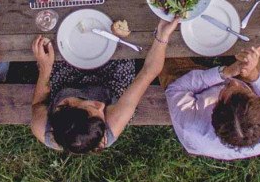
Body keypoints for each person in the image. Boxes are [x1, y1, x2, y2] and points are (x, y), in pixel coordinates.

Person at [30, 18, 179, 153]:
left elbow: (38, 103)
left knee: (61, 40)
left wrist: (45, 68)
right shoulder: (112, 122)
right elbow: (148, 72)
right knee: (118, 47)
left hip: (67, 82)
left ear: (66, 105)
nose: (101, 107)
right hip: (110, 84)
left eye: (93, 107)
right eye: (101, 115)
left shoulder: (41, 126)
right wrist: (162, 36)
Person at [160, 44, 260, 160]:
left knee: (164, 52)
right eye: (245, 91)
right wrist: (253, 75)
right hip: (245, 84)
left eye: (226, 89)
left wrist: (224, 72)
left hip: (196, 88)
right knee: (255, 50)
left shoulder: (189, 123)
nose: (234, 82)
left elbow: (176, 88)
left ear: (214, 106)